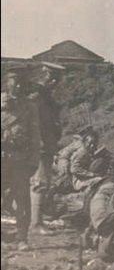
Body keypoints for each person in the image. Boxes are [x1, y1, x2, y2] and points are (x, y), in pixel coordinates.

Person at [1, 65, 41, 251]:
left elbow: (35, 135)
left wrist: (34, 160)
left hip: (19, 159)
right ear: (7, 81)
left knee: (22, 199)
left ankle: (21, 238)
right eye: (13, 81)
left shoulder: (29, 106)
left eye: (20, 82)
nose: (17, 85)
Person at [30, 62, 66, 233]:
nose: (55, 85)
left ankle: (36, 219)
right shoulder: (38, 97)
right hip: (40, 145)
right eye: (54, 81)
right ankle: (36, 224)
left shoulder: (46, 97)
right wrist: (40, 142)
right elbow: (33, 122)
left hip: (47, 144)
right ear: (49, 79)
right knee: (40, 182)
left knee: (42, 181)